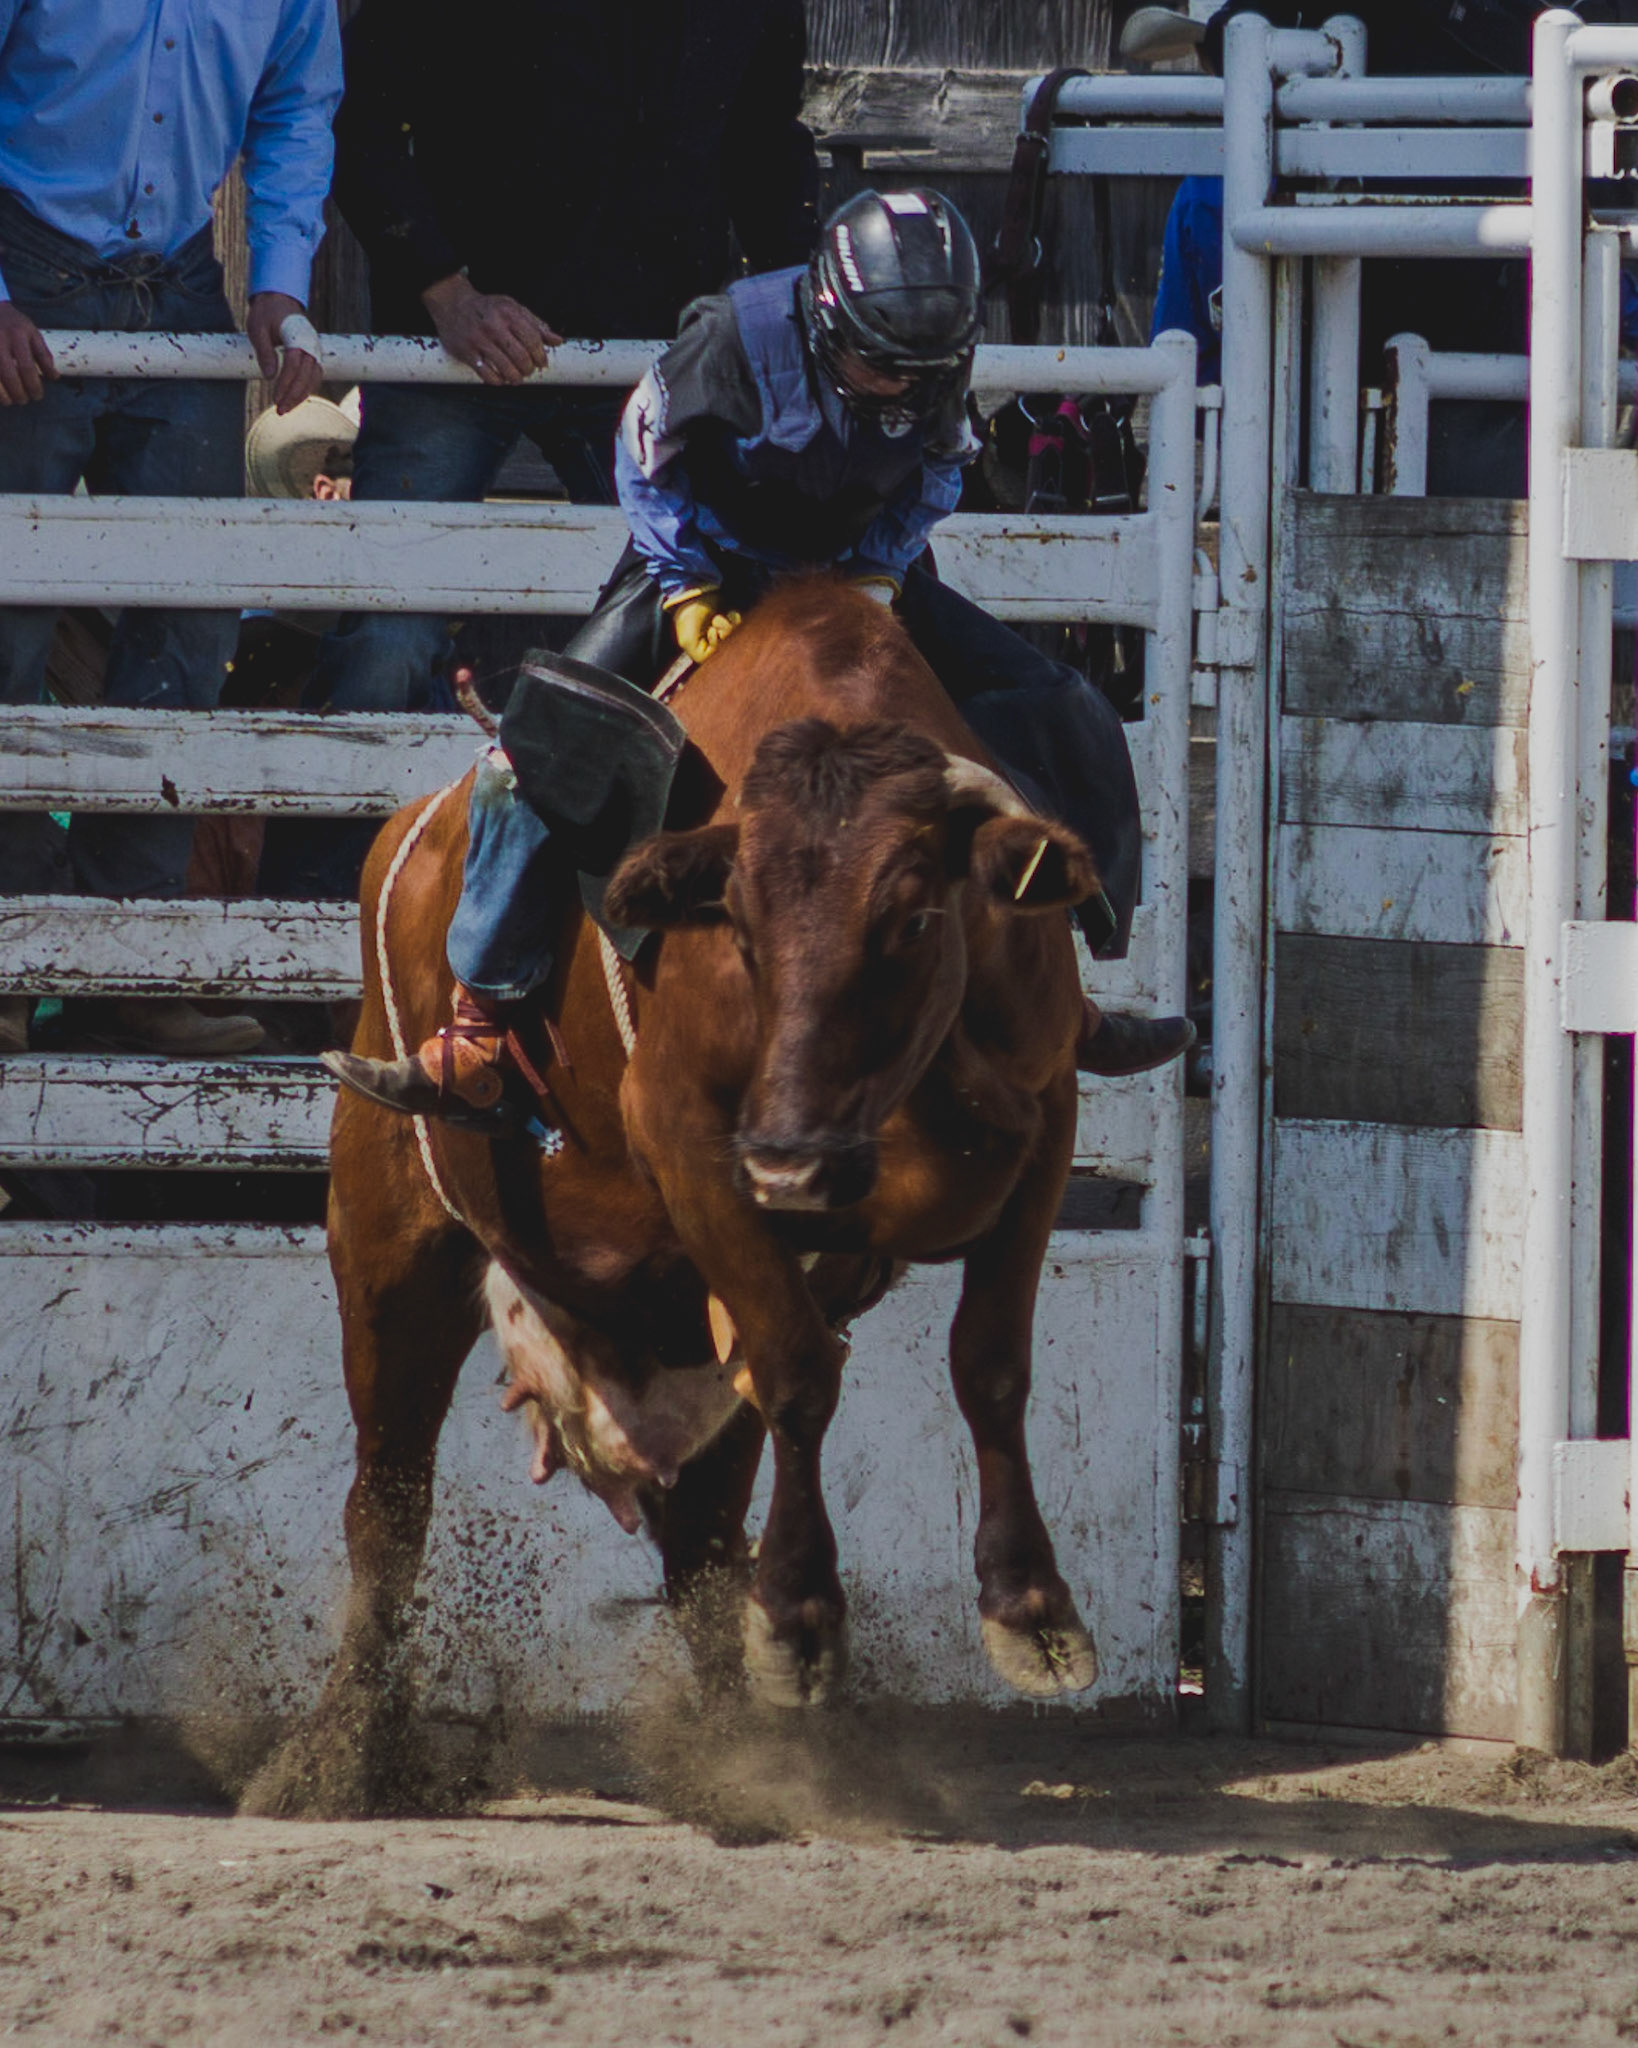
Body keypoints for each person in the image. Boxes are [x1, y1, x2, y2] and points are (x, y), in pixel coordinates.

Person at [329, 190, 1193, 1126]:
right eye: (879, 367)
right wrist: (686, 584)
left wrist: (881, 573)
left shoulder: (928, 354)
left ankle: (1069, 1001)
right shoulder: (732, 337)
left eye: (920, 373)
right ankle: (479, 1022)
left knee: (1058, 708)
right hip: (707, 558)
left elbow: (941, 467)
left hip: (864, 564)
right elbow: (645, 450)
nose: (899, 388)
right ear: (826, 320)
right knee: (528, 757)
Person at [269, 0, 820, 905]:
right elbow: (360, 115)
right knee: (387, 636)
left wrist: (801, 318)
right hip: (452, 353)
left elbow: (763, 146)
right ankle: (313, 924)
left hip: (646, 358)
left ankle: (648, 920)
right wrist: (445, 289)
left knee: (692, 619)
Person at [0, 0, 341, 1057]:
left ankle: (130, 965)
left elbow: (296, 106)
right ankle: (9, 958)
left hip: (182, 278)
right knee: (4, 624)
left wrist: (279, 277)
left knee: (189, 630)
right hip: (23, 262)